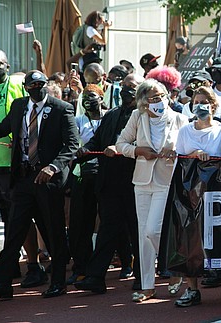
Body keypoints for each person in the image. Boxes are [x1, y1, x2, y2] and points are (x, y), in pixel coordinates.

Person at [0, 70, 79, 299]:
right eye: (33, 86)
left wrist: (53, 167)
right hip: (23, 178)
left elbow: (71, 145)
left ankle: (58, 281)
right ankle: (2, 282)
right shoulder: (19, 106)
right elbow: (2, 129)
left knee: (54, 229)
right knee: (14, 230)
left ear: (46, 86)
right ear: (26, 88)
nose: (37, 89)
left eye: (41, 85)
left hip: (48, 180)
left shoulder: (61, 108)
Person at [115, 79, 189, 302]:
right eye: (153, 98)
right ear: (144, 102)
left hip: (166, 181)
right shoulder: (138, 117)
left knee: (153, 230)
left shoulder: (179, 119)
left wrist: (175, 152)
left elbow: (189, 149)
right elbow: (121, 144)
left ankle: (175, 267)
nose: (158, 101)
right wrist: (138, 151)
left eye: (161, 96)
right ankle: (148, 286)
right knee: (143, 235)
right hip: (141, 181)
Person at [73, 73, 145, 294]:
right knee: (107, 230)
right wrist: (84, 152)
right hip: (109, 183)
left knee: (137, 231)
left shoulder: (143, 116)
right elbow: (98, 141)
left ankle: (143, 277)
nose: (125, 91)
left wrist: (121, 149)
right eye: (123, 86)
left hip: (134, 182)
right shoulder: (112, 114)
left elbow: (142, 143)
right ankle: (95, 277)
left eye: (131, 87)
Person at [173, 86, 221, 307]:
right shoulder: (185, 131)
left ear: (213, 104)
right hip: (191, 195)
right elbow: (180, 160)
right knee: (192, 240)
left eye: (204, 101)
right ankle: (192, 288)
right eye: (196, 101)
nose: (200, 105)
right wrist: (193, 155)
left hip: (219, 194)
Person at [67, 85, 105, 285]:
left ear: (101, 97)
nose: (87, 100)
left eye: (91, 96)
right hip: (82, 176)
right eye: (84, 97)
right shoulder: (78, 120)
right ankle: (81, 267)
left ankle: (124, 262)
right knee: (80, 224)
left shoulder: (110, 118)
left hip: (106, 177)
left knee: (109, 222)